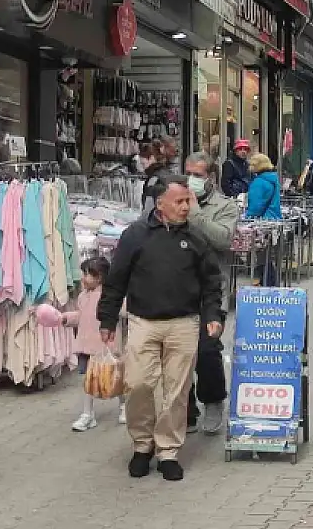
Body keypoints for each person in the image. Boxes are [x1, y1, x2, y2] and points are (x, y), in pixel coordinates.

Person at [97, 176, 223, 482]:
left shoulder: (195, 238)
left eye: (188, 201)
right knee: (138, 385)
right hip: (143, 322)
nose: (185, 207)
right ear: (160, 204)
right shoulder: (135, 235)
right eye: (179, 201)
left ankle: (168, 451)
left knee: (176, 392)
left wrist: (212, 315)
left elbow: (211, 282)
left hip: (184, 324)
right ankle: (142, 445)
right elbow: (116, 279)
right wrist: (107, 318)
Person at [183, 152, 239, 435]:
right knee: (181, 351)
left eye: (198, 175)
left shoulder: (226, 206)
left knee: (207, 349)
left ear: (212, 178)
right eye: (188, 173)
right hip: (180, 288)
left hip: (211, 290)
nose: (191, 180)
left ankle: (214, 399)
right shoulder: (174, 200)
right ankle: (187, 407)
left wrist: (194, 212)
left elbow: (223, 239)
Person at [64, 257, 125, 431]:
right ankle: (87, 414)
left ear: (98, 277)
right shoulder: (82, 297)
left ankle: (123, 406)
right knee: (88, 381)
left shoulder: (110, 297)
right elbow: (80, 316)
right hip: (86, 347)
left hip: (107, 346)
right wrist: (64, 318)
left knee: (115, 379)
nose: (82, 278)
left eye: (86, 274)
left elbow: (125, 309)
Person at [244, 153, 281, 220]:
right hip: (275, 218)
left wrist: (247, 218)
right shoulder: (273, 179)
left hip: (262, 222)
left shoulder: (258, 182)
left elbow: (255, 207)